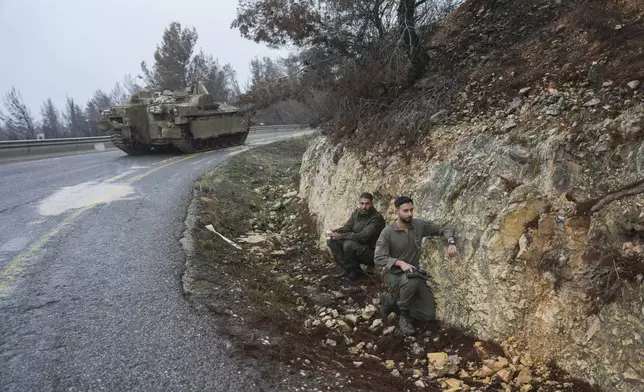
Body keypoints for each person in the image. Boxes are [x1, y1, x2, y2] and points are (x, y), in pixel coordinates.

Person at [374, 195, 458, 335]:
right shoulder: (388, 232)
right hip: (392, 275)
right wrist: (400, 263)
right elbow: (378, 258)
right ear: (397, 211)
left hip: (413, 273)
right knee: (410, 282)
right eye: (405, 211)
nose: (410, 214)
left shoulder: (418, 226)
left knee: (428, 314)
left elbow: (444, 228)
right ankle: (404, 317)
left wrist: (451, 241)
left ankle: (392, 300)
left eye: (411, 210)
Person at [327, 192, 386, 281]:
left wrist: (341, 236)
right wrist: (333, 232)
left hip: (372, 252)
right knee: (331, 240)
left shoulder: (376, 218)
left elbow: (362, 237)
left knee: (348, 244)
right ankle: (348, 269)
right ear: (359, 203)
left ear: (372, 204)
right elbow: (346, 228)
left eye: (367, 204)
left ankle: (355, 272)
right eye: (362, 203)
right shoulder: (356, 214)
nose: (364, 206)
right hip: (358, 247)